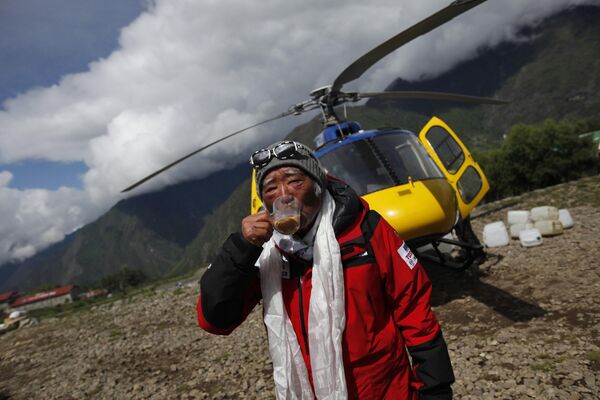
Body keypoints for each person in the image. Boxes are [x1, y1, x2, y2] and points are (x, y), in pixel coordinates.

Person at [196, 140, 454, 399]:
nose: (284, 194)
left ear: (318, 185)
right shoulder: (266, 253)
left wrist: (435, 390)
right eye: (271, 188)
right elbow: (215, 319)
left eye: (295, 181)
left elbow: (414, 310)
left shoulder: (366, 229)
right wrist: (241, 247)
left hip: (385, 390)